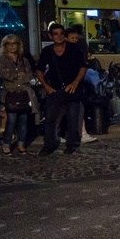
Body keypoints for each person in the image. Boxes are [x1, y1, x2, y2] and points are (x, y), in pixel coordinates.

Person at [35, 23, 88, 155]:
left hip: (72, 89)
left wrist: (75, 83)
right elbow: (39, 70)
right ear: (51, 36)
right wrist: (46, 86)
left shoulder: (73, 49)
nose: (59, 37)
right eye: (55, 34)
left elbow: (83, 67)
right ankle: (49, 144)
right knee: (50, 119)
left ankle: (71, 144)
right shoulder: (47, 51)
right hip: (55, 89)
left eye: (61, 34)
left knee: (73, 118)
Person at [0, 34, 37, 155]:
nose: (12, 46)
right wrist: (18, 75)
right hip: (11, 94)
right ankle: (7, 143)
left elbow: (29, 75)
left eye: (14, 44)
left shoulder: (24, 60)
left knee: (23, 121)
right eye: (9, 44)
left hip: (24, 93)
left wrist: (19, 76)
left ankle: (21, 144)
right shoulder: (2, 59)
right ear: (5, 46)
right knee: (11, 120)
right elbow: (6, 75)